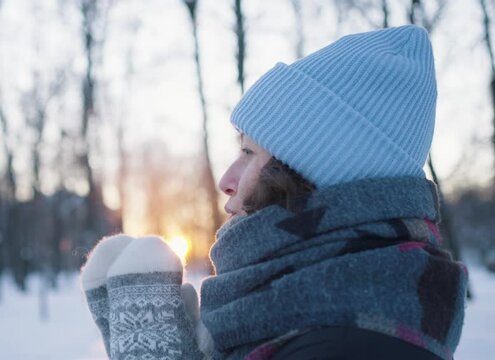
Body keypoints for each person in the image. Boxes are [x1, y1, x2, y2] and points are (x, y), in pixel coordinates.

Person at [80, 24, 468, 360]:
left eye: (249, 153)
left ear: (310, 172)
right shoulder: (317, 310)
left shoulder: (353, 345)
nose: (226, 179)